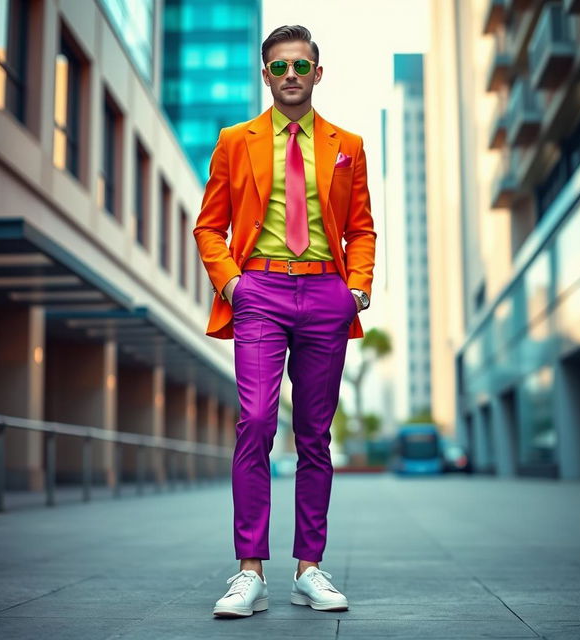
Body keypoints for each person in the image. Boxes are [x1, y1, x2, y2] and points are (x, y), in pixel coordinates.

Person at [193, 24, 376, 618]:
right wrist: (232, 284)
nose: (290, 76)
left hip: (327, 291)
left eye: (301, 66)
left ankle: (308, 569)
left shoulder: (347, 142)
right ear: (265, 74)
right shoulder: (234, 140)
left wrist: (357, 288)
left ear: (317, 74)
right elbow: (208, 226)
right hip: (261, 290)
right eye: (279, 67)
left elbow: (361, 227)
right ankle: (249, 572)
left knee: (315, 435)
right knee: (254, 421)